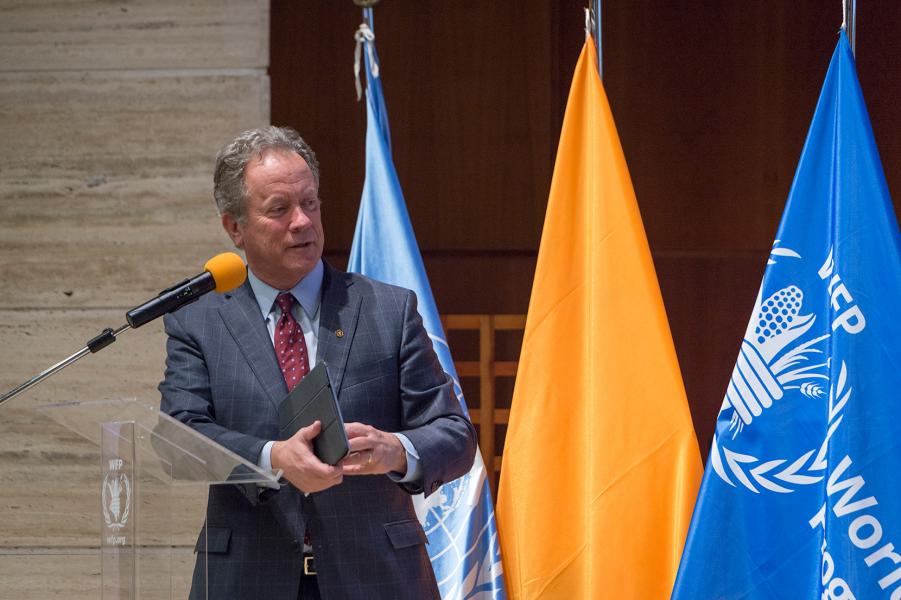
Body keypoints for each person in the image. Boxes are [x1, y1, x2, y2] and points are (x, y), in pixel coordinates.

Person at [159, 126, 477, 599]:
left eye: (310, 203)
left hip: (377, 579)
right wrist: (272, 458)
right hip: (247, 580)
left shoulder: (387, 310)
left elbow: (455, 435)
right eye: (279, 209)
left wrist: (395, 450)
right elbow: (179, 438)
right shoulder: (199, 322)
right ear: (234, 228)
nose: (303, 221)